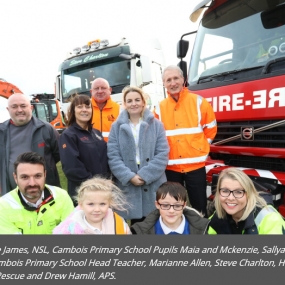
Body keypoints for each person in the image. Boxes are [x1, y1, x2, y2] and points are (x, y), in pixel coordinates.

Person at [159, 65, 217, 217]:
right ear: (164, 84)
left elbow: (210, 129)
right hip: (171, 167)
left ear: (183, 80)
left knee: (199, 207)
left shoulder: (199, 102)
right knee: (173, 206)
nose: (173, 83)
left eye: (176, 78)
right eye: (168, 80)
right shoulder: (159, 108)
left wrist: (201, 149)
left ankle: (201, 233)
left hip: (195, 166)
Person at [107, 86, 169, 224]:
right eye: (129, 101)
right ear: (124, 104)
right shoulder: (115, 127)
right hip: (128, 183)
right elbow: (113, 156)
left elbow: (162, 153)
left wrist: (144, 175)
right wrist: (129, 176)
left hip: (153, 181)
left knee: (156, 223)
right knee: (134, 226)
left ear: (143, 102)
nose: (133, 103)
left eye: (137, 99)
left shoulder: (157, 125)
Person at [0, 93, 61, 195]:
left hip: (45, 193)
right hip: (11, 194)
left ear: (31, 107)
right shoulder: (1, 131)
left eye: (23, 106)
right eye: (14, 107)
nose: (19, 110)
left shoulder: (46, 129)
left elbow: (57, 154)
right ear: (8, 109)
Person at [0, 152, 74, 234]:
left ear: (45, 175)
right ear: (15, 178)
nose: (32, 183)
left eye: (37, 176)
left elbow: (72, 235)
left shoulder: (61, 196)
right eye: (25, 177)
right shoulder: (3, 206)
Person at [59, 94, 110, 205]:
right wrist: (95, 184)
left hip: (103, 190)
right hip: (84, 192)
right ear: (73, 111)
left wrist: (108, 180)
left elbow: (106, 158)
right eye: (80, 107)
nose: (84, 110)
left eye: (87, 107)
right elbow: (72, 168)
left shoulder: (97, 133)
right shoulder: (68, 135)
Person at [208, 168, 285, 234]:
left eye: (238, 192)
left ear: (249, 194)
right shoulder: (218, 216)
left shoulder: (269, 219)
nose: (230, 198)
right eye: (225, 191)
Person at [53, 177, 131, 234]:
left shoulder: (117, 222)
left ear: (109, 204)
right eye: (91, 204)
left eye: (102, 204)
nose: (97, 209)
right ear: (81, 205)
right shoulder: (71, 229)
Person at [131, 182, 210, 234]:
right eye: (165, 205)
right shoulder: (141, 231)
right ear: (157, 205)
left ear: (184, 205)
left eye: (177, 205)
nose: (171, 211)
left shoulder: (202, 228)